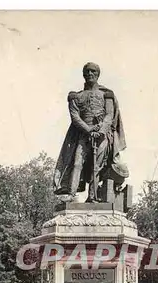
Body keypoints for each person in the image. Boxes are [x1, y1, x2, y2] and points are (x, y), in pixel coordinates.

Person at [53, 62, 127, 202]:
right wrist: (88, 130)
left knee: (97, 165)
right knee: (76, 163)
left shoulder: (107, 95)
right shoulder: (76, 96)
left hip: (102, 135)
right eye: (87, 72)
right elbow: (75, 117)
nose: (90, 74)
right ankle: (71, 194)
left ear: (98, 74)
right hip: (83, 134)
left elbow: (109, 115)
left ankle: (92, 196)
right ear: (83, 75)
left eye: (93, 71)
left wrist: (100, 131)